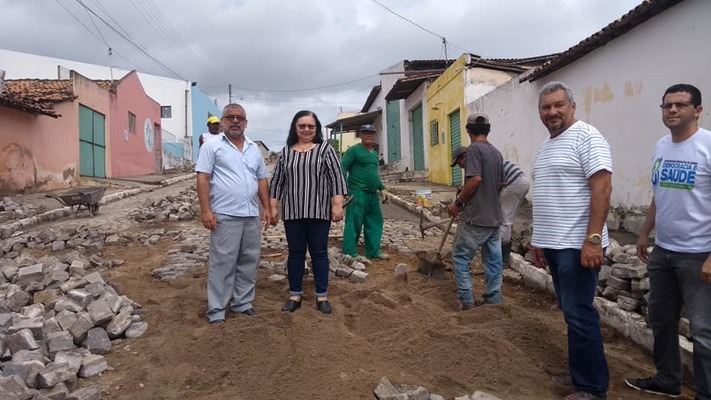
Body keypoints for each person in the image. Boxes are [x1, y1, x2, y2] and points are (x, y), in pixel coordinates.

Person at [625, 84, 711, 400]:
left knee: (703, 331)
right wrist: (645, 232)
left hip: (699, 254)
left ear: (697, 110)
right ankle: (668, 380)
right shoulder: (661, 146)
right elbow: (660, 194)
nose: (672, 110)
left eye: (680, 105)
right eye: (667, 106)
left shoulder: (707, 146)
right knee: (660, 319)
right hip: (664, 251)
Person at [530, 81, 612, 400]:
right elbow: (547, 195)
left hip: (578, 244)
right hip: (554, 243)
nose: (552, 112)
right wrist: (539, 241)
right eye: (546, 107)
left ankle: (593, 388)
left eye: (558, 105)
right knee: (571, 312)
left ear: (572, 107)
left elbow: (602, 188)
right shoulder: (548, 145)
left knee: (579, 313)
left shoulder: (588, 137)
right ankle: (582, 376)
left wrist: (593, 240)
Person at [195, 104, 271, 325]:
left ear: (246, 122)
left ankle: (242, 303)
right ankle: (217, 309)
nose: (235, 121)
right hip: (225, 214)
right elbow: (202, 178)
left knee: (249, 260)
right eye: (230, 117)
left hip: (250, 214)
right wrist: (206, 210)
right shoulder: (212, 146)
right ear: (223, 121)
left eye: (240, 118)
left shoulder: (253, 148)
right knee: (223, 262)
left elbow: (261, 179)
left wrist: (266, 207)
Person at [269, 110, 348, 315]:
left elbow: (336, 178)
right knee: (295, 253)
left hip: (319, 212)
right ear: (295, 128)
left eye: (310, 126)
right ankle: (295, 295)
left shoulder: (324, 150)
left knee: (319, 253)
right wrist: (273, 207)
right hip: (293, 212)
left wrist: (337, 204)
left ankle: (322, 296)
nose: (306, 129)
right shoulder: (286, 152)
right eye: (302, 126)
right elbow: (277, 181)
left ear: (316, 129)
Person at [446, 113, 504, 309]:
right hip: (494, 218)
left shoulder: (473, 150)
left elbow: (476, 179)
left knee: (461, 258)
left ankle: (466, 301)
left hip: (475, 218)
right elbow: (502, 182)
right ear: (488, 130)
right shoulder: (496, 153)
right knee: (494, 262)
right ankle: (494, 300)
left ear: (468, 131)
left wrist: (458, 204)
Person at [341, 124, 389, 260]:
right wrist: (343, 188)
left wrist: (382, 188)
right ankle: (349, 252)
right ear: (360, 135)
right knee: (354, 222)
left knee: (375, 221)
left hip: (372, 195)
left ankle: (373, 252)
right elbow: (342, 168)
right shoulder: (354, 151)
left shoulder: (373, 154)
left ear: (375, 135)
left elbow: (373, 174)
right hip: (357, 192)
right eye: (365, 133)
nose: (368, 135)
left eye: (371, 133)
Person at [499, 160, 530, 266]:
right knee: (509, 216)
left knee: (504, 218)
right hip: (523, 182)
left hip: (513, 183)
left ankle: (504, 258)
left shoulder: (483, 166)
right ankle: (507, 244)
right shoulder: (493, 159)